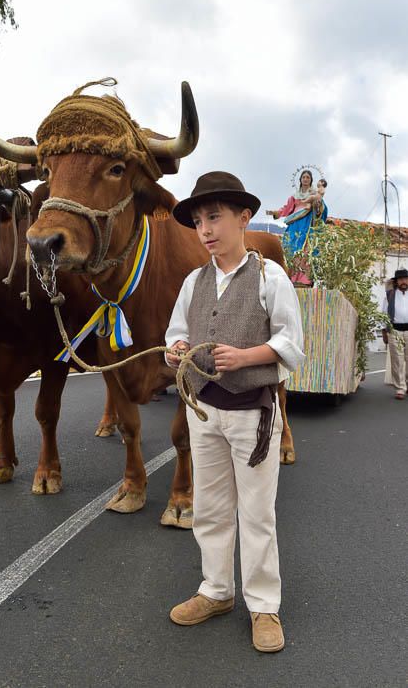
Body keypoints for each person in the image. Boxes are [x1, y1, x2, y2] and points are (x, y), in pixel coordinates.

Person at [165, 171, 305, 652]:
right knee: (210, 508)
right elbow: (174, 333)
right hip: (203, 412)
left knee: (257, 513)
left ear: (244, 218)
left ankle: (264, 605)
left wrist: (247, 357)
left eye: (215, 217)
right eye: (199, 220)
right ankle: (216, 592)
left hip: (254, 414)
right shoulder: (192, 281)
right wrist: (176, 348)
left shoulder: (271, 276)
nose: (205, 229)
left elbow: (292, 343)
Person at [382, 268, 408, 399]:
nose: (404, 281)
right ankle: (400, 388)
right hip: (394, 331)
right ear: (396, 281)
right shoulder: (390, 295)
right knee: (397, 360)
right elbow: (384, 313)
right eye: (401, 279)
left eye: (405, 279)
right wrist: (384, 332)